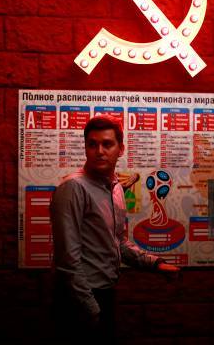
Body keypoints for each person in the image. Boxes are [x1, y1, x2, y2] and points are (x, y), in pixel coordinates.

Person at [50, 114, 180, 343]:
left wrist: (156, 264)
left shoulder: (116, 189)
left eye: (107, 144)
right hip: (79, 298)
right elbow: (67, 260)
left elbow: (117, 240)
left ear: (121, 149)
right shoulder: (73, 188)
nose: (99, 150)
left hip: (105, 292)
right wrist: (91, 308)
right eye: (92, 144)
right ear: (86, 148)